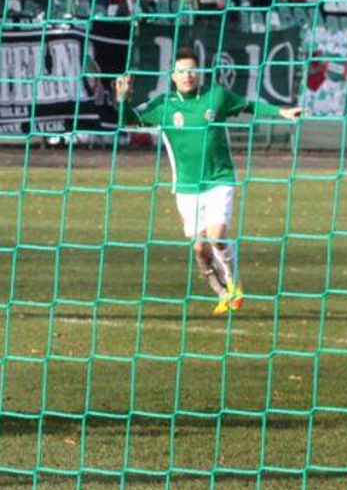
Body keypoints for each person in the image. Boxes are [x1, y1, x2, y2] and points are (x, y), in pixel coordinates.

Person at [114, 47, 302, 315]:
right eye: (182, 71)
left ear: (200, 73)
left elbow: (249, 105)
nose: (188, 76)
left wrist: (281, 112)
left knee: (217, 236)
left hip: (219, 179)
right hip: (186, 188)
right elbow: (127, 120)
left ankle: (234, 281)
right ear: (173, 75)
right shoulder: (163, 105)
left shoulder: (216, 96)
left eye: (192, 70)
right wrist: (122, 97)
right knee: (200, 248)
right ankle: (222, 292)